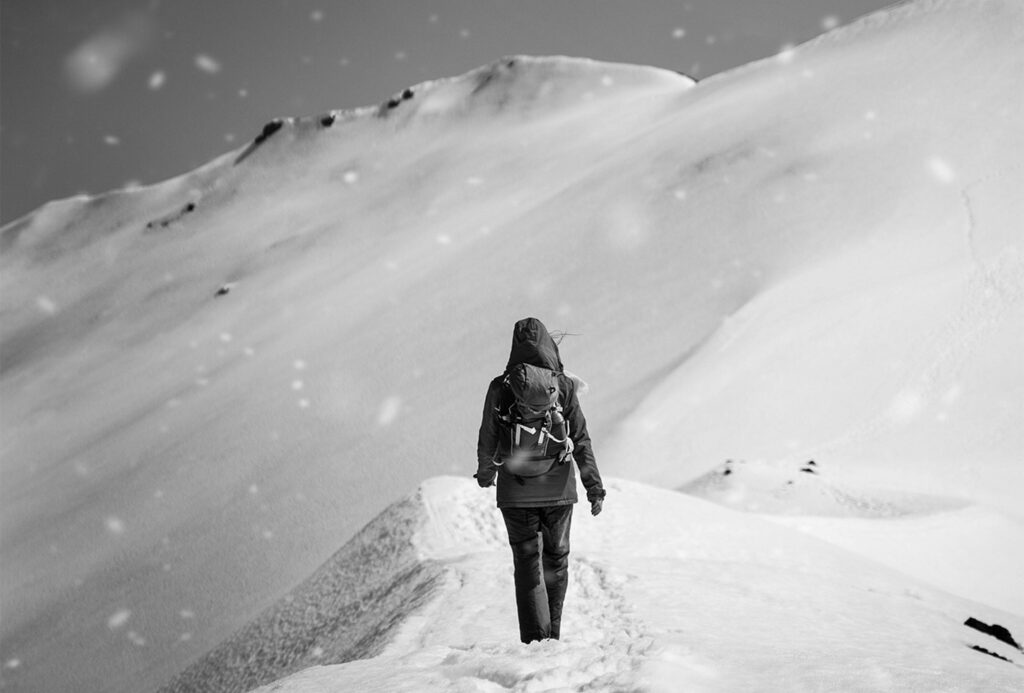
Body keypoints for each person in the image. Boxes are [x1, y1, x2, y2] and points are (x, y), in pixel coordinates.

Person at [475, 317, 606, 644]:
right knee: (556, 563)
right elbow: (581, 439)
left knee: (527, 564)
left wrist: (486, 474)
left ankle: (536, 642)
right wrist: (594, 488)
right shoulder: (562, 385)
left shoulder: (501, 387)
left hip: (515, 494)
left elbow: (488, 438)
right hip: (559, 493)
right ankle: (553, 639)